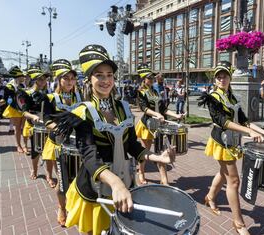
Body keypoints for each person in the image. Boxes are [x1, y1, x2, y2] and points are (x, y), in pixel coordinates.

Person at [50, 44, 175, 235]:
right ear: (89, 79)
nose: (106, 80)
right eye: (99, 74)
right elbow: (89, 156)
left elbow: (132, 145)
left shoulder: (124, 108)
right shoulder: (82, 112)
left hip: (124, 181)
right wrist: (115, 183)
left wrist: (159, 158)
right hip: (94, 187)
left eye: (109, 75)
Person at [198, 61, 264, 235]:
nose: (221, 79)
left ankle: (209, 198)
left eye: (224, 76)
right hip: (222, 142)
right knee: (234, 181)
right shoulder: (213, 97)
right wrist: (248, 131)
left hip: (233, 141)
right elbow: (222, 122)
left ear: (230, 78)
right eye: (218, 76)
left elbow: (244, 120)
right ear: (215, 80)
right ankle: (238, 222)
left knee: (223, 174)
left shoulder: (232, 97)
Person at [41, 58, 82, 226]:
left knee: (78, 178)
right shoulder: (50, 97)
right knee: (63, 180)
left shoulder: (79, 96)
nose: (70, 82)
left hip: (78, 143)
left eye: (72, 78)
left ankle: (75, 206)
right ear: (59, 79)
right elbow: (46, 120)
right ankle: (61, 208)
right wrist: (58, 129)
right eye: (66, 78)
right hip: (59, 143)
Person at [135, 63, 184, 185]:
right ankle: (141, 173)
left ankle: (164, 180)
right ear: (143, 79)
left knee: (161, 152)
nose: (152, 80)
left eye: (153, 78)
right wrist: (156, 114)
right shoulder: (141, 92)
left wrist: (176, 115)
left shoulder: (156, 92)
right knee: (145, 151)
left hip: (159, 126)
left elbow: (163, 109)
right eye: (149, 78)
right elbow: (144, 108)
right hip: (147, 125)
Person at [20, 66, 49, 179]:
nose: (43, 81)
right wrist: (34, 116)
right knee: (36, 149)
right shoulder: (26, 93)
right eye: (40, 79)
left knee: (49, 150)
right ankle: (34, 170)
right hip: (35, 125)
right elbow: (24, 112)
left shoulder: (48, 92)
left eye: (44, 79)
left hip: (48, 124)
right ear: (34, 80)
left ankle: (49, 174)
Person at [0, 66, 27, 153]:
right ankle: (18, 145)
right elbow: (5, 98)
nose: (23, 77)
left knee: (25, 127)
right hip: (15, 108)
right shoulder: (9, 86)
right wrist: (0, 102)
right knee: (17, 128)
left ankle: (25, 145)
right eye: (22, 76)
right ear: (18, 77)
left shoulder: (23, 84)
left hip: (24, 108)